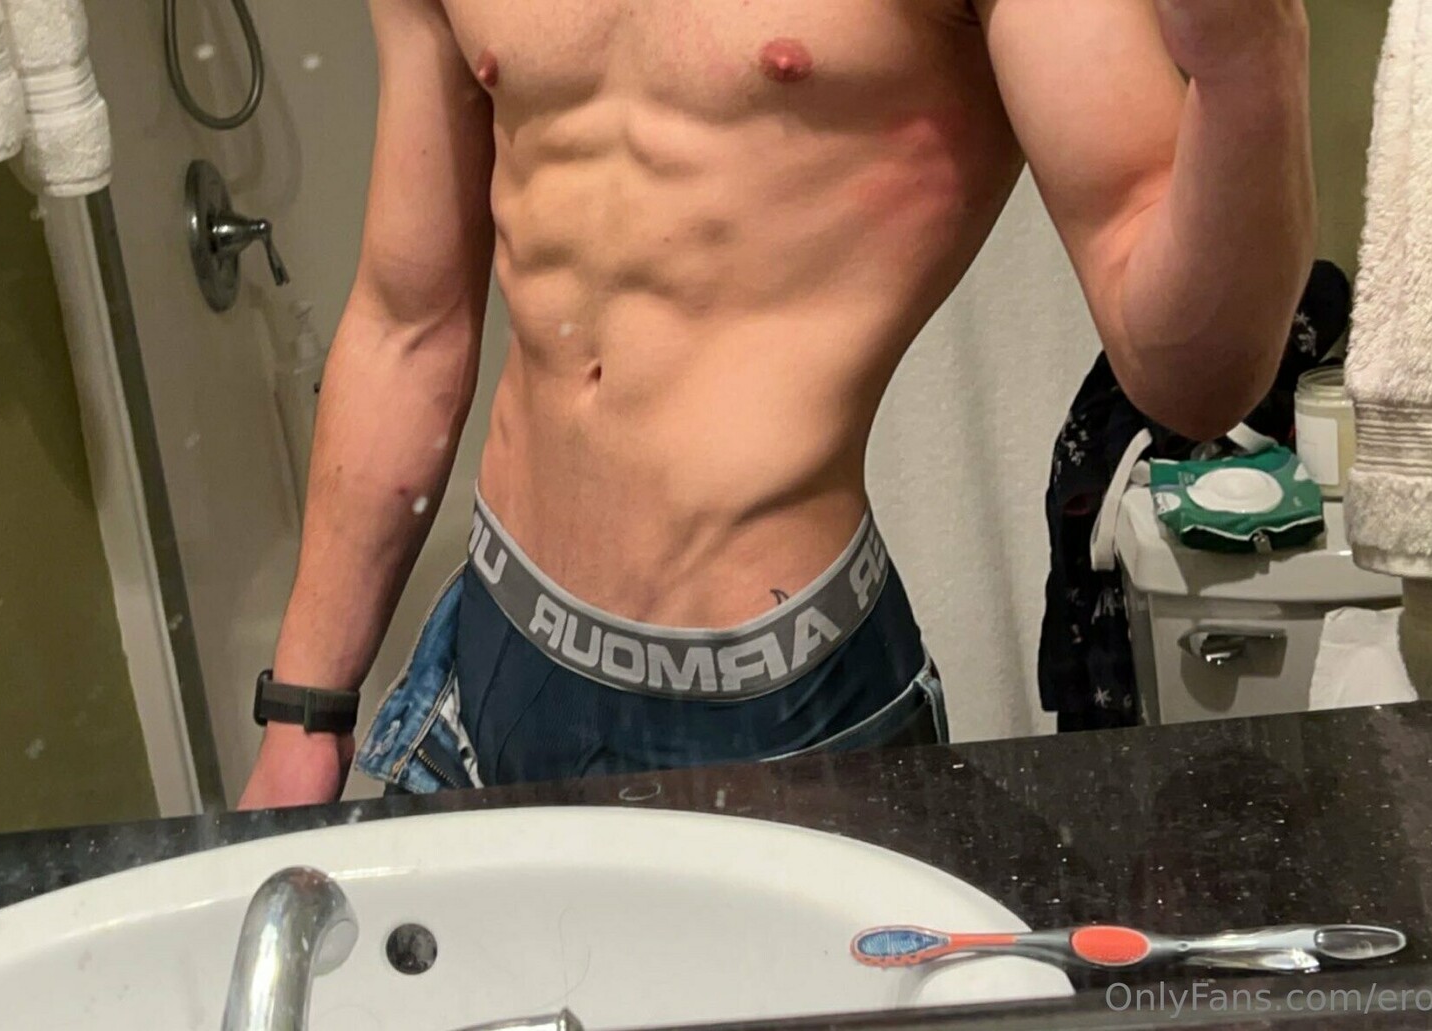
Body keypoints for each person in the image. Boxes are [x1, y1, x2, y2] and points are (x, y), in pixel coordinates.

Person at [241, 0, 1315, 808]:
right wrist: (304, 712)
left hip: (781, 710)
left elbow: (1192, 378)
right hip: (487, 657)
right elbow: (408, 321)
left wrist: (1251, 61)